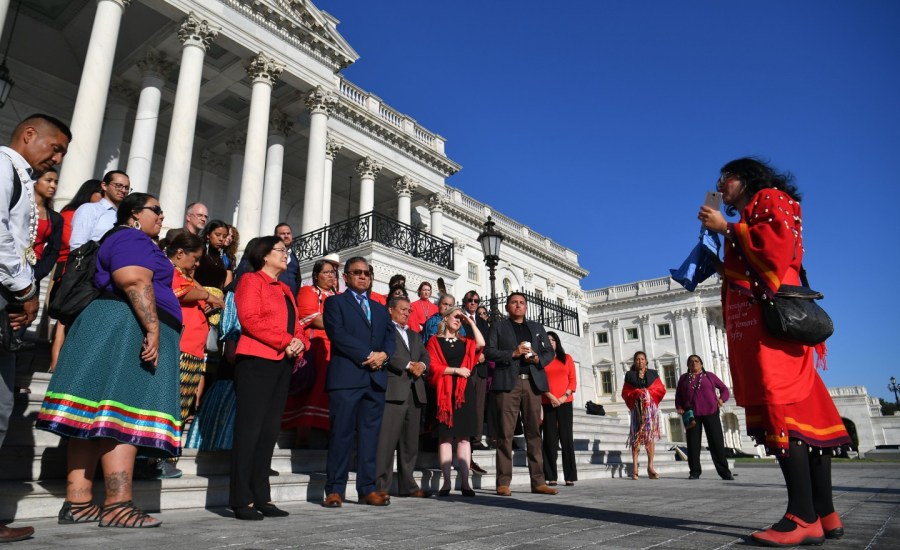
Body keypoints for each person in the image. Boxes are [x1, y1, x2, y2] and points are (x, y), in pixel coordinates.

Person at [699, 158, 851, 545]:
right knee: (805, 415)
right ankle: (824, 513)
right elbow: (755, 261)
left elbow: (775, 247)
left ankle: (801, 516)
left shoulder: (769, 197)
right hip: (763, 319)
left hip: (770, 324)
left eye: (725, 178)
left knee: (781, 408)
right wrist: (720, 257)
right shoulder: (755, 210)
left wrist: (727, 228)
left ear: (745, 177)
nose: (720, 185)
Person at [36, 192, 181, 528]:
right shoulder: (132, 237)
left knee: (93, 415)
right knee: (122, 414)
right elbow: (132, 278)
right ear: (133, 214)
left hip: (114, 323)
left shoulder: (122, 237)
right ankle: (117, 504)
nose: (161, 216)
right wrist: (153, 327)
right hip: (127, 326)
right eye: (156, 210)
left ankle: (79, 502)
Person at [0, 113, 70, 543]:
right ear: (29, 135)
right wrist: (25, 289)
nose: (57, 159)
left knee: (3, 407)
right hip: (8, 294)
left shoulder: (20, 177)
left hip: (9, 301)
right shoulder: (4, 167)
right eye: (55, 147)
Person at [229, 236, 309, 520]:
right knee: (249, 431)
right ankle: (241, 498)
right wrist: (286, 340)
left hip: (282, 363)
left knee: (268, 432)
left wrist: (300, 342)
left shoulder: (286, 289)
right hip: (256, 361)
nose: (286, 254)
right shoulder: (251, 281)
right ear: (264, 254)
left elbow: (297, 325)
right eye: (281, 250)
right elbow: (251, 319)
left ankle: (261, 496)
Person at [321, 257, 395, 508]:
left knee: (370, 438)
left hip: (375, 381)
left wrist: (384, 355)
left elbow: (390, 338)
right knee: (341, 435)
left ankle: (368, 489)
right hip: (347, 378)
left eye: (367, 272)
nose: (363, 276)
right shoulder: (334, 303)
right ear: (346, 277)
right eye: (357, 272)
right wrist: (368, 355)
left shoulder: (380, 308)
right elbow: (337, 334)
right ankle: (334, 489)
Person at [483, 292, 558, 496]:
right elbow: (489, 352)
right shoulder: (498, 326)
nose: (518, 305)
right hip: (508, 384)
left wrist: (536, 359)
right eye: (514, 302)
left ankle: (538, 481)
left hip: (532, 384)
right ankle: (503, 482)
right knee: (505, 434)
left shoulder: (536, 327)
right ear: (507, 307)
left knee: (533, 433)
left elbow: (549, 352)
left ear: (526, 307)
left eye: (522, 303)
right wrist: (513, 354)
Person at [281, 254, 341, 447]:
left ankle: (326, 431)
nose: (332, 276)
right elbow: (310, 317)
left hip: (337, 349)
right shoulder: (308, 291)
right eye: (327, 272)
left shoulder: (338, 297)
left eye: (333, 272)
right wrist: (342, 325)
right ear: (316, 276)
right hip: (315, 347)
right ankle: (303, 434)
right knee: (313, 389)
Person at [374, 295, 430, 497]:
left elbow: (425, 355)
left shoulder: (414, 335)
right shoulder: (383, 330)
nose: (407, 312)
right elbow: (386, 353)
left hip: (415, 393)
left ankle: (408, 486)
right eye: (403, 309)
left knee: (410, 444)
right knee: (386, 443)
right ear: (390, 310)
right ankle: (381, 486)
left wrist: (422, 365)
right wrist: (408, 365)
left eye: (409, 310)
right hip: (394, 391)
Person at [427, 305, 484, 497]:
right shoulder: (435, 341)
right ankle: (446, 482)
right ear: (445, 318)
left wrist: (470, 322)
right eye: (456, 317)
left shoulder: (465, 342)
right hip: (444, 393)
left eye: (461, 318)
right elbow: (433, 366)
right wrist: (455, 370)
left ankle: (466, 482)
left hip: (463, 393)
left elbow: (481, 343)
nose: (458, 320)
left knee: (464, 437)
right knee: (445, 437)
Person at [167, 232, 224, 422]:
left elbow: (194, 288)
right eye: (196, 259)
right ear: (180, 253)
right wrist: (207, 296)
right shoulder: (169, 270)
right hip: (181, 348)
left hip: (193, 350)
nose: (198, 264)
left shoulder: (183, 274)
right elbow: (179, 292)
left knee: (181, 410)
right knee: (172, 407)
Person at [48, 179, 102, 371]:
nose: (102, 199)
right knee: (64, 318)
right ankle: (55, 364)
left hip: (85, 271)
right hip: (70, 269)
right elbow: (70, 242)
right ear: (90, 193)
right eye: (99, 193)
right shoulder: (72, 213)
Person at [674, 355, 733, 481]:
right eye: (691, 362)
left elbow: (724, 389)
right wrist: (679, 407)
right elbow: (678, 395)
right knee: (693, 444)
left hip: (711, 411)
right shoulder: (684, 379)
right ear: (688, 365)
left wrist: (722, 399)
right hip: (692, 414)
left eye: (696, 361)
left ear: (701, 364)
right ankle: (694, 471)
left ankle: (724, 472)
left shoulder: (709, 376)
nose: (694, 363)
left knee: (716, 442)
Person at [541, 331, 577, 487]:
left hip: (565, 402)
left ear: (557, 342)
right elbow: (540, 381)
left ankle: (570, 476)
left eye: (553, 339)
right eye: (547, 340)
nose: (551, 342)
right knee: (549, 439)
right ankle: (551, 476)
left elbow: (572, 380)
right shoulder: (542, 360)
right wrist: (551, 397)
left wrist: (563, 397)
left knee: (566, 438)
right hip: (548, 401)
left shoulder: (567, 358)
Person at [621, 351, 665, 480]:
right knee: (636, 437)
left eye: (642, 359)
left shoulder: (653, 374)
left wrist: (648, 393)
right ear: (634, 362)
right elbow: (625, 392)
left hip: (650, 410)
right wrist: (637, 392)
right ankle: (635, 466)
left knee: (649, 437)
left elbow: (660, 389)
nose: (640, 361)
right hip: (637, 409)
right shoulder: (629, 375)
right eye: (637, 359)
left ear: (646, 361)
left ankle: (650, 466)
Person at [461, 290, 490, 462]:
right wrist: (473, 357)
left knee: (479, 405)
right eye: (470, 300)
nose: (473, 303)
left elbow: (490, 342)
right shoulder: (459, 318)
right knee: (465, 404)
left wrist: (484, 355)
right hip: (466, 367)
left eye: (476, 301)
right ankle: (464, 436)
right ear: (464, 302)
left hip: (481, 368)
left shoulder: (482, 322)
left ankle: (477, 439)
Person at [68, 170, 130, 250]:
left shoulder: (126, 216)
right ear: (104, 186)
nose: (123, 190)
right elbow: (77, 245)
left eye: (126, 188)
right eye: (118, 185)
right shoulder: (89, 209)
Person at [274, 223, 300, 296]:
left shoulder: (294, 256)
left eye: (288, 233)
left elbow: (298, 280)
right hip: (276, 298)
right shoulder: (271, 254)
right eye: (282, 234)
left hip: (291, 300)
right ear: (276, 236)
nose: (286, 236)